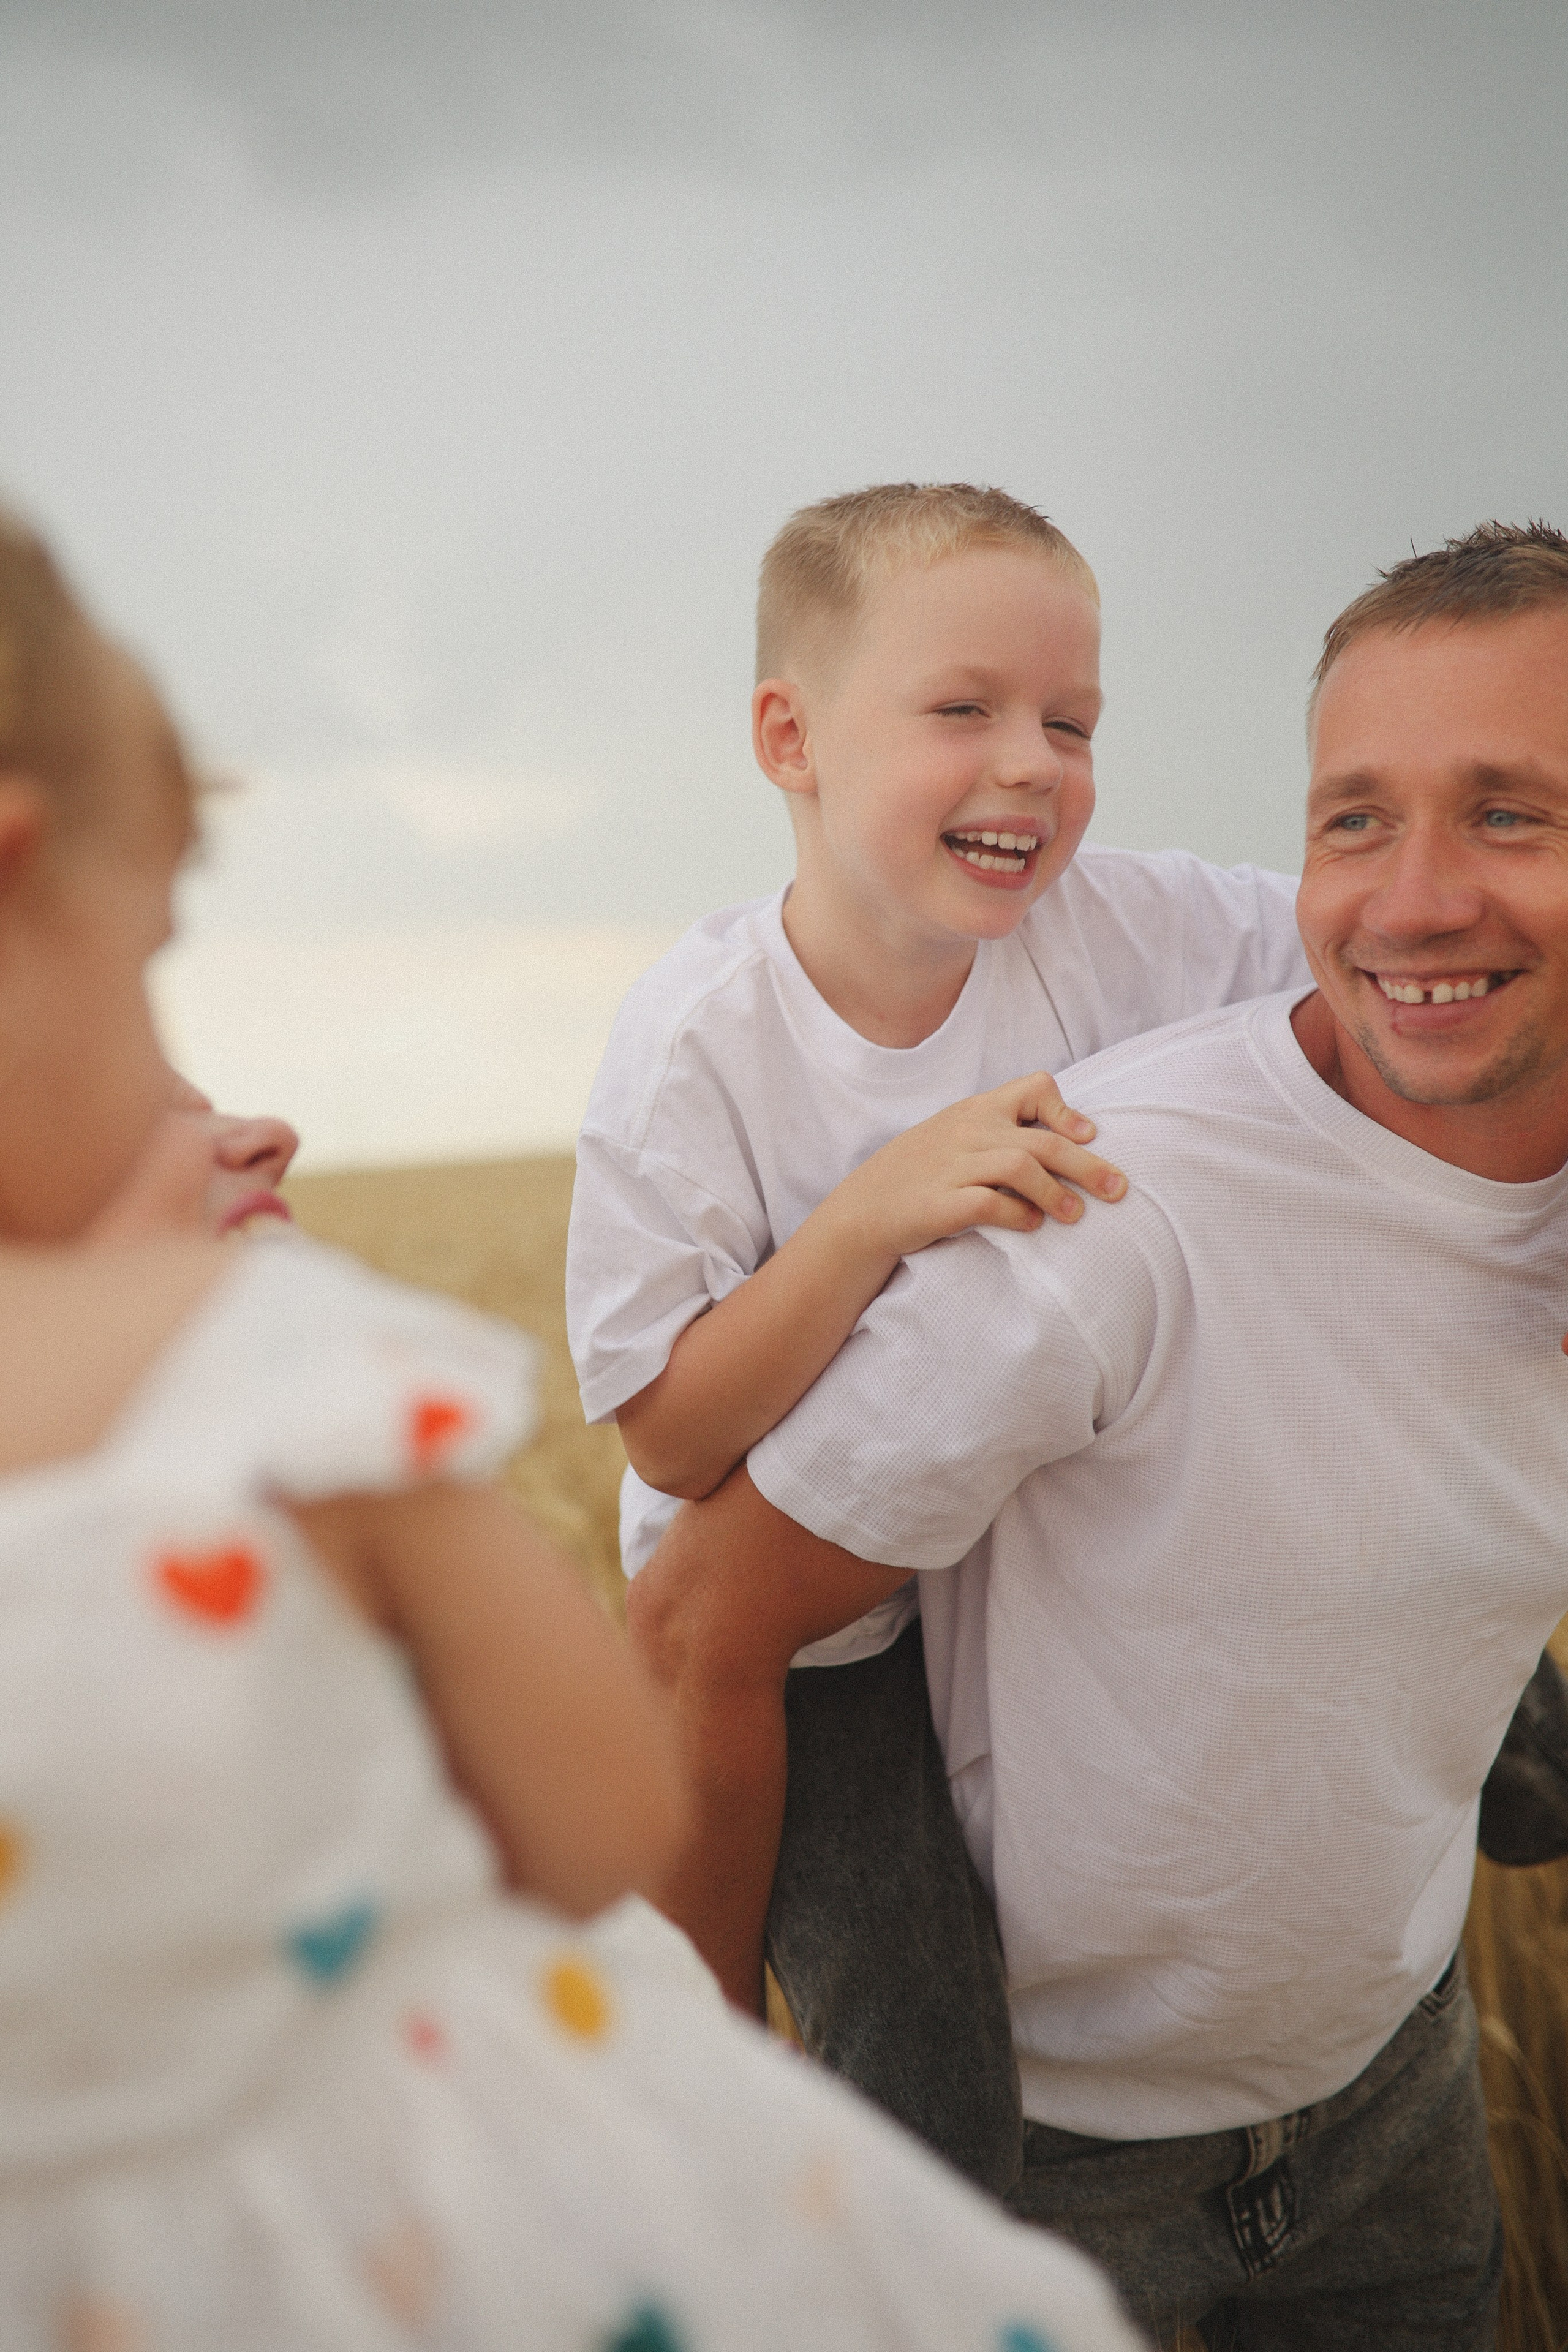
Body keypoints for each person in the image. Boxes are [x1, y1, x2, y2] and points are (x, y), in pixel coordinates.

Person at [0, 513, 1145, 2351]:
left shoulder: (1109, 940)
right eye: (151, 964)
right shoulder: (276, 1369)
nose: (231, 1115)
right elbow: (608, 1811)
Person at [630, 519, 1568, 2348]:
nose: (1412, 898)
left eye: (1512, 813)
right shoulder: (1101, 1195)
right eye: (1355, 819)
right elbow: (691, 1589)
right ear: (791, 740)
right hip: (1057, 2179)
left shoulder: (1164, 930)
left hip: (1397, 2089)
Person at [566, 481, 1311, 2188]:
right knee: (935, 2088)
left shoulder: (1130, 922)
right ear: (790, 737)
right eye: (963, 709)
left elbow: (1363, 967)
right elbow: (673, 1441)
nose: (1034, 763)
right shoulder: (698, 1043)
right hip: (820, 1653)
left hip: (1050, 1543)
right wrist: (870, 1212)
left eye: (1073, 719)